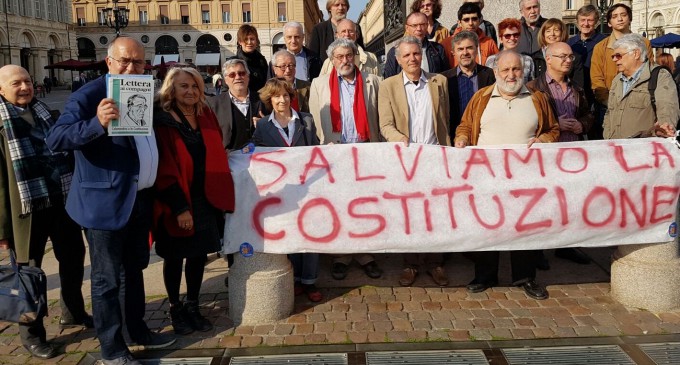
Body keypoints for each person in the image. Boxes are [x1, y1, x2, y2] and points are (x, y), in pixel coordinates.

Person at [46, 36, 175, 365]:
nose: (132, 67)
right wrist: (96, 123)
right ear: (109, 62)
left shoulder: (146, 89)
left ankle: (138, 330)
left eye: (138, 61)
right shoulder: (88, 95)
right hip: (103, 203)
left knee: (134, 271)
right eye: (124, 61)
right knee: (105, 279)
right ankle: (112, 348)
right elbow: (56, 139)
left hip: (138, 198)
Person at [0, 65, 92, 360]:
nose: (25, 87)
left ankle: (73, 311)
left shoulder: (45, 112)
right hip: (24, 212)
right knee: (28, 273)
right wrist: (2, 231)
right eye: (17, 83)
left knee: (73, 258)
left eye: (27, 80)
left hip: (60, 201)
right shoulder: (2, 124)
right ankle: (31, 333)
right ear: (2, 89)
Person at [454, 50, 559, 300]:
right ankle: (485, 275)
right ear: (496, 72)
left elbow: (553, 129)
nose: (511, 75)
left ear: (523, 71)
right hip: (486, 177)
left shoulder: (538, 98)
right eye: (506, 70)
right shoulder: (481, 97)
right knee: (486, 226)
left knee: (524, 226)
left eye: (516, 70)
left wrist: (544, 138)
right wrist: (462, 137)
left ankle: (525, 277)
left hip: (526, 178)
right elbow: (465, 125)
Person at [153, 67, 234, 335]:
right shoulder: (163, 119)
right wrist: (180, 208)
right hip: (176, 198)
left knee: (198, 255)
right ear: (171, 89)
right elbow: (164, 168)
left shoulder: (204, 113)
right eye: (184, 86)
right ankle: (175, 307)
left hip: (204, 197)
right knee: (175, 256)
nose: (190, 91)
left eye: (195, 86)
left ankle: (193, 304)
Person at [378, 36, 450, 287]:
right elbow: (385, 124)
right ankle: (410, 264)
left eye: (416, 54)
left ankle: (435, 263)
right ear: (398, 60)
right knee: (409, 213)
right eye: (406, 55)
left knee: (435, 212)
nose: (412, 59)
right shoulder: (387, 86)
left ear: (422, 55)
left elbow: (445, 119)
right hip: (405, 160)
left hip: (434, 157)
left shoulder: (439, 82)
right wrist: (400, 140)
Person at [308, 39, 383, 281]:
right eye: (339, 56)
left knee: (365, 205)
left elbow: (380, 117)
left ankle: (366, 254)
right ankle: (341, 255)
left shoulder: (373, 81)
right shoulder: (319, 84)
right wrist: (322, 149)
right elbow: (315, 120)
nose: (344, 61)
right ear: (332, 60)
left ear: (355, 56)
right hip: (335, 153)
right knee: (340, 206)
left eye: (348, 55)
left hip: (366, 151)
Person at [251, 78, 323, 302]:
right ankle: (295, 279)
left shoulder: (306, 120)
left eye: (285, 95)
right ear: (269, 100)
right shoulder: (263, 126)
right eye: (276, 96)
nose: (282, 100)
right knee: (290, 234)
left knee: (310, 233)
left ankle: (310, 281)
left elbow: (316, 150)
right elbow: (256, 154)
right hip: (281, 191)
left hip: (307, 188)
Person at [527, 42, 593, 266]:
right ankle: (536, 251)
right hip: (544, 156)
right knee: (542, 204)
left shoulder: (577, 88)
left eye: (570, 57)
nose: (567, 60)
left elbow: (588, 115)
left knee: (569, 202)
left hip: (571, 154)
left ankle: (566, 246)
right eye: (562, 56)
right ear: (548, 59)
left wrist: (581, 125)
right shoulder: (533, 88)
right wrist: (555, 124)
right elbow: (527, 124)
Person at [604, 34, 679, 140]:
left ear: (636, 54)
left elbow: (667, 108)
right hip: (615, 149)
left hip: (644, 150)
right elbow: (609, 113)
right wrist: (607, 137)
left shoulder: (660, 76)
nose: (615, 59)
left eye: (618, 55)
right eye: (613, 56)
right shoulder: (617, 80)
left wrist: (664, 127)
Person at [591, 3, 654, 122]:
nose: (619, 19)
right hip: (608, 105)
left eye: (623, 15)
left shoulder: (644, 43)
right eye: (614, 16)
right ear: (609, 22)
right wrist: (609, 101)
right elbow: (596, 79)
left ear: (630, 18)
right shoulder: (600, 47)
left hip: (639, 104)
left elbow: (649, 71)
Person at [442, 31, 495, 140]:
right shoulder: (444, 79)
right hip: (455, 138)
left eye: (469, 48)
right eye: (460, 49)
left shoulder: (489, 74)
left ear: (477, 49)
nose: (465, 52)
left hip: (483, 135)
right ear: (453, 53)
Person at [207, 58, 259, 151]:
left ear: (248, 76)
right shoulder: (213, 104)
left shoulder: (263, 100)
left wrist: (265, 125)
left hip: (260, 159)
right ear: (226, 80)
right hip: (229, 161)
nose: (238, 77)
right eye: (232, 75)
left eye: (242, 73)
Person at [383, 12, 449, 78]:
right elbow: (389, 81)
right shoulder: (394, 52)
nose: (419, 29)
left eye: (422, 24)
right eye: (414, 25)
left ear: (427, 26)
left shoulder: (437, 49)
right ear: (407, 28)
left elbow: (445, 77)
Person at [567, 5, 607, 114]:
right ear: (577, 22)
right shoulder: (570, 43)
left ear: (596, 21)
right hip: (576, 91)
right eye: (582, 20)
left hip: (596, 91)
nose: (586, 24)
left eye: (589, 20)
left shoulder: (604, 42)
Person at [443, 2, 498, 69]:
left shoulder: (489, 43)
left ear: (479, 21)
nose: (471, 23)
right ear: (459, 22)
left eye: (474, 19)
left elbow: (497, 66)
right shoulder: (447, 43)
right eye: (466, 20)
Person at [533, 18, 584, 88]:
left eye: (556, 30)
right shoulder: (535, 58)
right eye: (548, 31)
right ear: (543, 34)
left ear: (562, 33)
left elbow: (578, 85)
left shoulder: (575, 58)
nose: (552, 34)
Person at [486, 18, 535, 83]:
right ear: (500, 39)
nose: (512, 38)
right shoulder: (492, 60)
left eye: (515, 35)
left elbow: (531, 84)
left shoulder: (528, 60)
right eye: (507, 36)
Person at [236, 25, 268, 99]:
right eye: (246, 39)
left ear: (256, 41)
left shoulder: (262, 60)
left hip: (261, 102)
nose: (249, 42)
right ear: (240, 42)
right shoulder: (234, 62)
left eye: (252, 39)